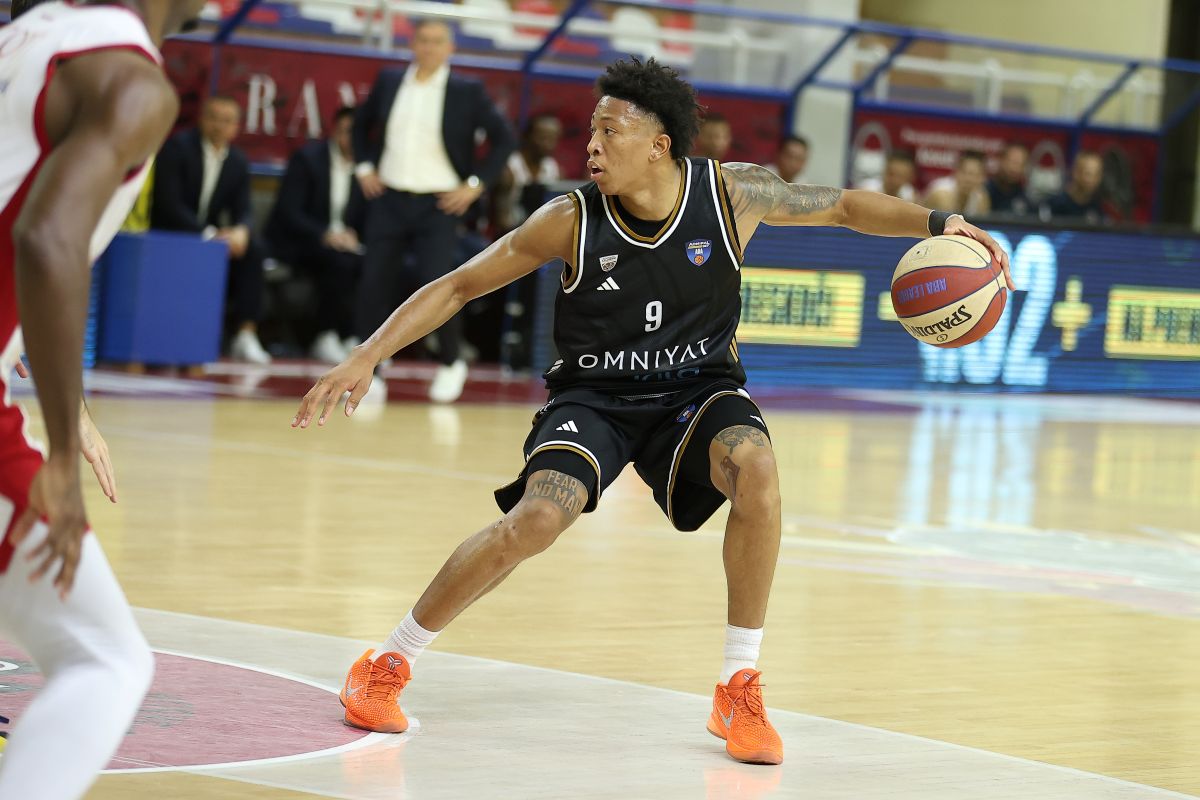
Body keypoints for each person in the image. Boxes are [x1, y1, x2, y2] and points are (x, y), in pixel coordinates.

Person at [293, 57, 1012, 767]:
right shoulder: (569, 219)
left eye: (609, 131)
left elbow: (848, 207)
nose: (591, 146)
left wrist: (942, 221)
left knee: (757, 469)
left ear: (659, 145)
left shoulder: (735, 195)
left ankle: (738, 684)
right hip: (595, 399)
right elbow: (458, 287)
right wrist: (367, 354)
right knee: (537, 519)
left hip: (697, 395)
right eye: (591, 132)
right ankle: (386, 662)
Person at [0, 0, 202, 797]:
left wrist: (68, 405)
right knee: (107, 661)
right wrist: (59, 456)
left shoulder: (26, 37)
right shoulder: (134, 82)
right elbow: (46, 240)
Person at [352, 18, 516, 403]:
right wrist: (364, 167)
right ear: (413, 44)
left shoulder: (466, 90)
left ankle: (451, 361)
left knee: (441, 284)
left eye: (437, 42)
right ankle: (369, 366)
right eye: (423, 40)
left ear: (449, 48)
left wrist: (474, 185)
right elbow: (360, 127)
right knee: (374, 281)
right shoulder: (391, 81)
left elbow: (503, 138)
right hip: (389, 198)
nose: (428, 48)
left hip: (439, 204)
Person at [151, 95, 272, 364]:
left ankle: (246, 334)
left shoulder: (237, 161)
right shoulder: (177, 148)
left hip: (212, 238)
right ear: (202, 119)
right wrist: (207, 234)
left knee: (254, 249)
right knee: (210, 249)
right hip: (172, 234)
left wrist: (241, 230)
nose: (219, 126)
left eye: (227, 121)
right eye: (214, 118)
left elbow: (244, 208)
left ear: (236, 127)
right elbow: (167, 204)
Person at [267, 107, 366, 363]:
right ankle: (326, 335)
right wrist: (325, 234)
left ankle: (357, 338)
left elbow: (369, 216)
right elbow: (288, 212)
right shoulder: (308, 160)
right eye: (347, 132)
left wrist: (354, 237)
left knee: (372, 262)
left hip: (343, 247)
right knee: (339, 262)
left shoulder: (366, 170)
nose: (352, 139)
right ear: (334, 131)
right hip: (301, 242)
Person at [492, 113, 563, 233]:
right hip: (510, 235)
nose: (548, 144)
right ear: (526, 137)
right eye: (542, 138)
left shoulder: (554, 169)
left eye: (552, 139)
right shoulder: (509, 170)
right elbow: (501, 220)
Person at [1042, 150, 1106, 224]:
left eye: (1097, 175)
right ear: (1076, 173)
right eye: (1088, 174)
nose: (1093, 180)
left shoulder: (1097, 209)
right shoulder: (1055, 205)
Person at [923, 150, 990, 216]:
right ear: (956, 173)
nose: (969, 179)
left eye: (975, 175)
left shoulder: (981, 199)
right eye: (965, 172)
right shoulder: (941, 195)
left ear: (983, 178)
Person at [986, 142, 1032, 216]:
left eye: (1021, 164)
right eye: (1013, 162)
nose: (1015, 169)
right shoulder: (984, 191)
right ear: (1001, 160)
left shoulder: (1027, 199)